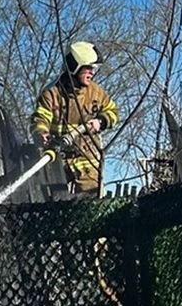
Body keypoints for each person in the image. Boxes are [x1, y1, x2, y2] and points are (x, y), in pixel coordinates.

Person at [31, 40, 118, 197]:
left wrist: (101, 121)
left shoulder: (96, 93)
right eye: (88, 68)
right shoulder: (52, 94)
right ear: (74, 66)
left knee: (89, 204)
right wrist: (41, 134)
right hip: (58, 159)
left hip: (88, 160)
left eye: (93, 69)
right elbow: (40, 119)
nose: (92, 72)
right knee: (55, 204)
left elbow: (113, 111)